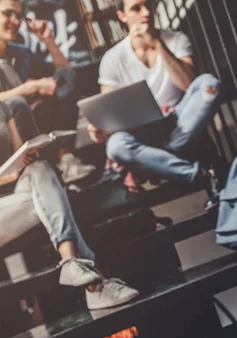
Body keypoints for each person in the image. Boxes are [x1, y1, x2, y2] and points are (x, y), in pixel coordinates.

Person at [0, 34, 139, 310]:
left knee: (38, 168)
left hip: (20, 198)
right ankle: (92, 279)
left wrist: (30, 156)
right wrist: (4, 178)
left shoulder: (2, 108)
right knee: (55, 196)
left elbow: (19, 158)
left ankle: (78, 270)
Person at [87, 0, 222, 208]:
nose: (146, 12)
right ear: (122, 17)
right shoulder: (112, 59)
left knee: (209, 84)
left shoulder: (176, 39)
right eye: (136, 8)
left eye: (148, 5)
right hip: (144, 134)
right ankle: (199, 175)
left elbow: (189, 84)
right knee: (116, 145)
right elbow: (110, 118)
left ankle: (166, 155)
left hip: (179, 122)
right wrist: (99, 129)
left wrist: (158, 44)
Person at [0, 0, 96, 184]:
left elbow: (65, 74)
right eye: (8, 13)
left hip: (38, 122)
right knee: (19, 104)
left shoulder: (21, 53)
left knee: (67, 80)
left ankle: (66, 159)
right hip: (6, 135)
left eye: (19, 16)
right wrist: (28, 89)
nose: (16, 21)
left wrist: (48, 41)